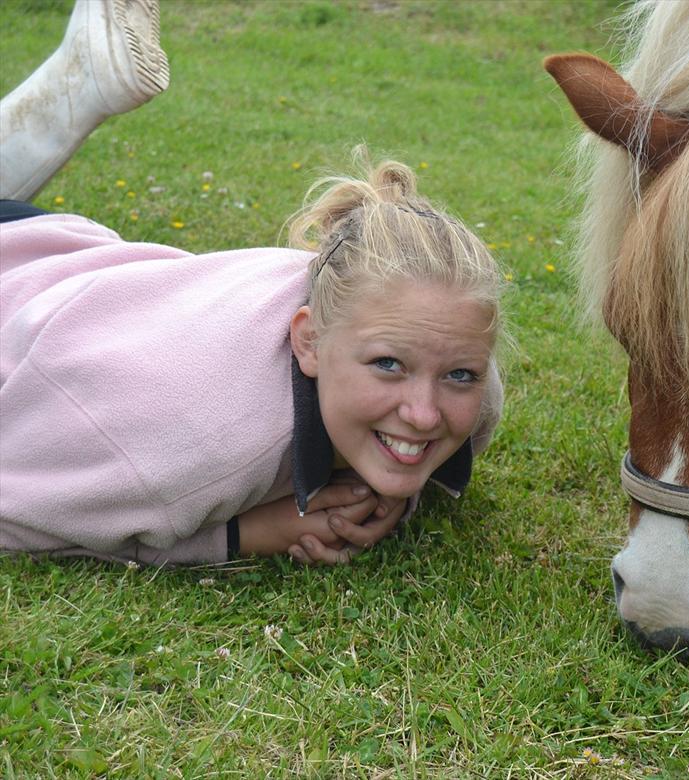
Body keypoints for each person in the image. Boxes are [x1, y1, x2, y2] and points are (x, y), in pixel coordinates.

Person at [0, 0, 505, 567]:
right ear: (308, 341)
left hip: (53, 252)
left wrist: (395, 491)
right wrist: (239, 535)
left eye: (459, 375)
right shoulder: (190, 450)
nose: (424, 414)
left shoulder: (462, 384)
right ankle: (80, 82)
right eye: (388, 364)